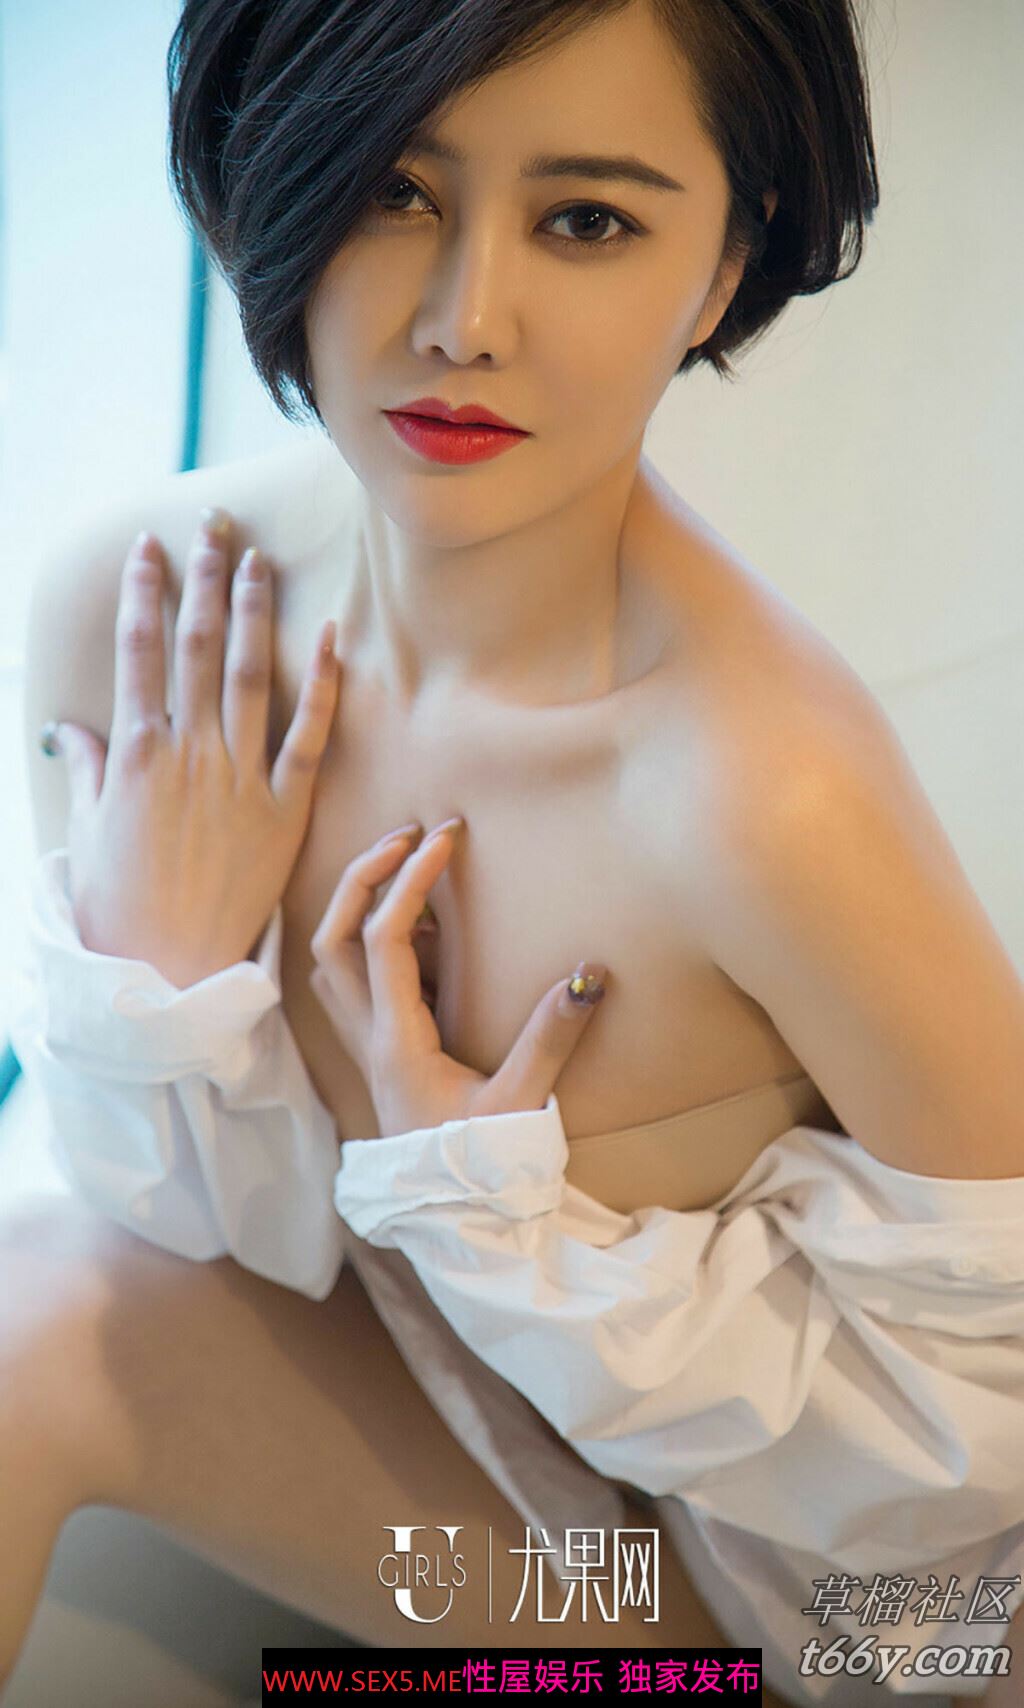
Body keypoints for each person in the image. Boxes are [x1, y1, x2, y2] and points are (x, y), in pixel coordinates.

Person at [3, 0, 1022, 1702]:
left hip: (841, 1634)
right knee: (27, 1312)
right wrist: (164, 969)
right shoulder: (147, 624)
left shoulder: (761, 798)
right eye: (393, 191)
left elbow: (986, 1446)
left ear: (723, 268)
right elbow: (195, 1237)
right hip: (516, 1524)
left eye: (587, 220)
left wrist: (502, 1233)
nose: (463, 321)